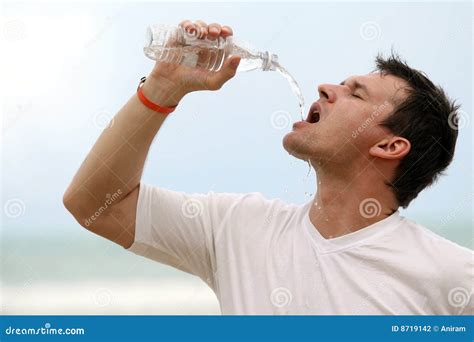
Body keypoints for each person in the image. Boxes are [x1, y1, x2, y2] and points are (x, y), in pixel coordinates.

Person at [63, 20, 473, 314]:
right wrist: (161, 90)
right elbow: (93, 203)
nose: (326, 88)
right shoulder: (236, 226)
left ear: (389, 145)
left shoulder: (453, 276)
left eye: (356, 94)